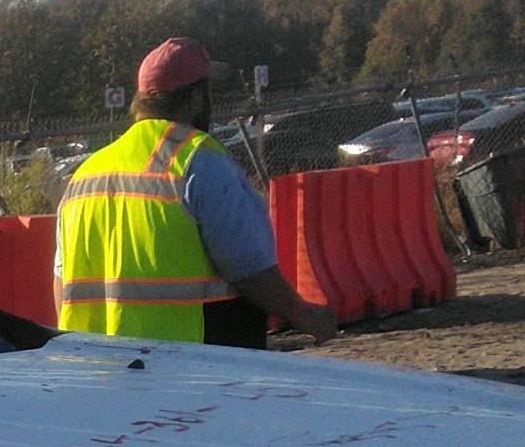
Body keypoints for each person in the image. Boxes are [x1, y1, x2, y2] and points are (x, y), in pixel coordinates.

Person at [55, 37, 338, 349]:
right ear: (196, 99)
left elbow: (63, 285)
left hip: (95, 370)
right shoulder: (199, 161)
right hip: (191, 366)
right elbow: (250, 268)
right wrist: (306, 316)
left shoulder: (86, 174)